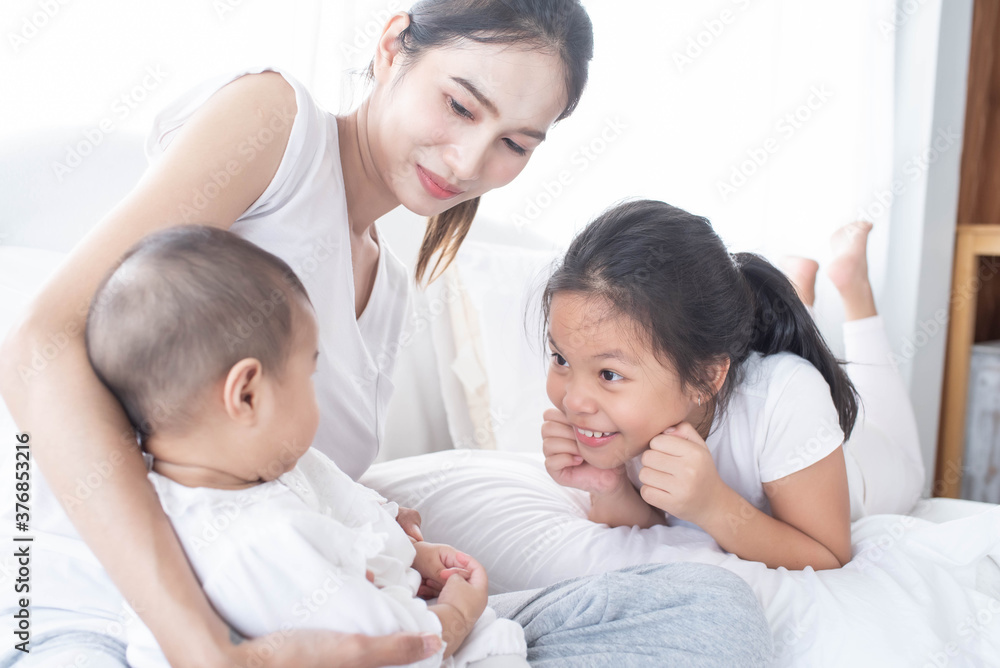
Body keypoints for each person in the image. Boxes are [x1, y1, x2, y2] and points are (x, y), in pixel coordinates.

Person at [0, 3, 773, 667]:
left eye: (515, 144)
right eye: (461, 106)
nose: (469, 160)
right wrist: (206, 650)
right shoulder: (276, 127)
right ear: (393, 45)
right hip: (120, 616)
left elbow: (287, 477)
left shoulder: (391, 290)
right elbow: (40, 347)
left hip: (311, 617)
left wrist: (389, 539)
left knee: (711, 609)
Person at [86, 226, 526, 668]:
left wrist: (412, 554)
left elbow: (343, 507)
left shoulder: (225, 476)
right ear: (247, 395)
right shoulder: (263, 540)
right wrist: (456, 613)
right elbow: (394, 646)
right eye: (308, 373)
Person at [541, 200, 925, 571]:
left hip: (860, 464)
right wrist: (609, 487)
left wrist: (713, 506)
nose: (573, 400)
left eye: (609, 374)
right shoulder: (630, 407)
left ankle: (854, 286)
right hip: (781, 433)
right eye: (561, 359)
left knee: (910, 464)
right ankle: (802, 293)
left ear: (706, 377)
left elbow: (828, 554)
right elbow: (654, 524)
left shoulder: (786, 395)